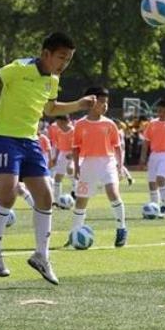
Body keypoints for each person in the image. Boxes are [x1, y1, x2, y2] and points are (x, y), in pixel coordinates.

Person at [0, 32, 95, 285]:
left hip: (30, 140)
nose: (64, 64)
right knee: (9, 192)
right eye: (61, 57)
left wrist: (78, 104)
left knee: (46, 196)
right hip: (5, 138)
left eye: (68, 59)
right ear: (46, 53)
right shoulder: (18, 67)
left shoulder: (53, 80)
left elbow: (50, 109)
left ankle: (41, 256)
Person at [69, 87, 127, 247]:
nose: (105, 106)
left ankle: (121, 228)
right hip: (88, 163)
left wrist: (120, 166)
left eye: (106, 103)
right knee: (81, 200)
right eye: (101, 102)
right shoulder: (80, 125)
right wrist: (77, 166)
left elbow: (117, 147)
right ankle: (75, 231)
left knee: (112, 192)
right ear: (91, 103)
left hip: (107, 162)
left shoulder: (110, 124)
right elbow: (76, 147)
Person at [50, 115, 75, 205]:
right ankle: (56, 200)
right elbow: (57, 146)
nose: (57, 124)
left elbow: (78, 145)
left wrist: (72, 154)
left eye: (59, 122)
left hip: (73, 154)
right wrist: (55, 158)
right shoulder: (59, 132)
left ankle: (75, 192)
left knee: (70, 169)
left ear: (65, 121)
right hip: (62, 154)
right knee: (57, 177)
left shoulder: (73, 131)